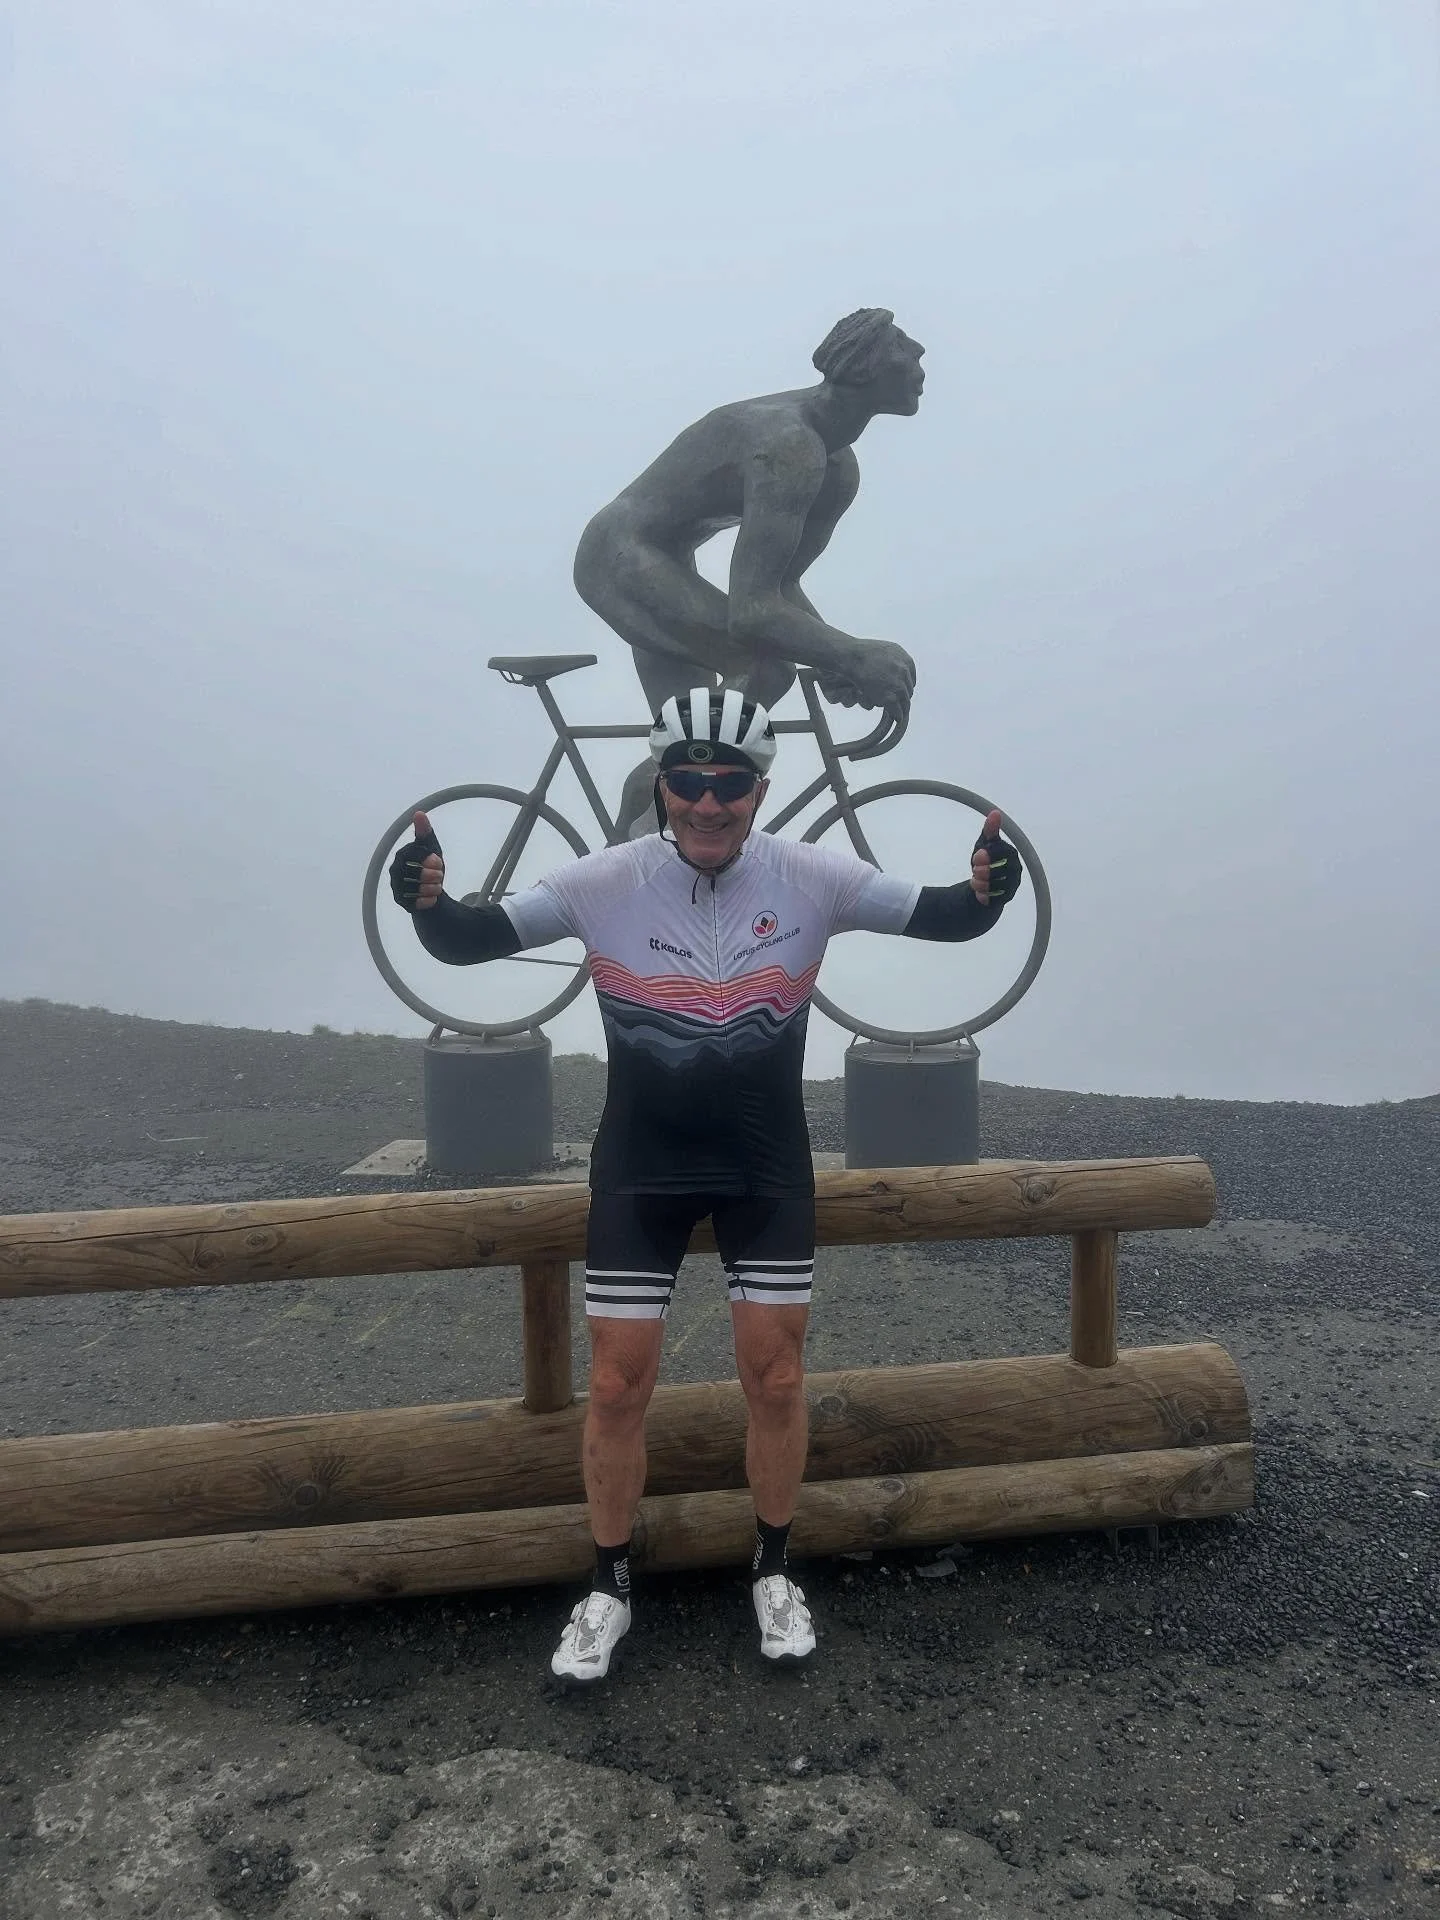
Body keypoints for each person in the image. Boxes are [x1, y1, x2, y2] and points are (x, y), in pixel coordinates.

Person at [389, 687, 1022, 1684]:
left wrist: (988, 888)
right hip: (642, 1168)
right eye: (688, 780)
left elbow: (944, 916)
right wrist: (425, 901)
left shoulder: (811, 875)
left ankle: (773, 1569)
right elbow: (469, 938)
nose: (708, 802)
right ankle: (607, 1586)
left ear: (760, 790)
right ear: (662, 784)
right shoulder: (605, 881)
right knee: (615, 1385)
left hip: (763, 1167)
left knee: (776, 1379)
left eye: (730, 783)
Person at [574, 308, 926, 837]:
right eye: (901, 343)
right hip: (618, 557)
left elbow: (780, 587)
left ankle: (619, 862)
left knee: (687, 745)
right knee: (764, 669)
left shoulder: (838, 470)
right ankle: (650, 835)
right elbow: (753, 613)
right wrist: (849, 654)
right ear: (862, 367)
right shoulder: (789, 443)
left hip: (664, 562)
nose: (919, 352)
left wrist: (839, 658)